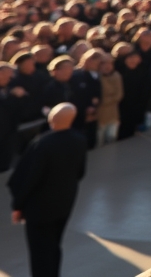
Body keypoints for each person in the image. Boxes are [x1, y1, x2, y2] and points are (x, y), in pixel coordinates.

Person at [7, 103, 87, 277]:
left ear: (51, 119)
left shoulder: (42, 144)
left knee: (39, 252)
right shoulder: (80, 140)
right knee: (54, 246)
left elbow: (28, 178)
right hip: (64, 204)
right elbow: (80, 173)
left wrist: (17, 205)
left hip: (39, 209)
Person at [94, 53, 123, 148]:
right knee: (99, 142)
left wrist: (104, 100)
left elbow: (119, 95)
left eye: (110, 63)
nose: (108, 66)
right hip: (99, 116)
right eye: (104, 63)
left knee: (111, 140)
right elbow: (98, 97)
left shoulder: (116, 76)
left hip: (113, 115)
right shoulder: (95, 77)